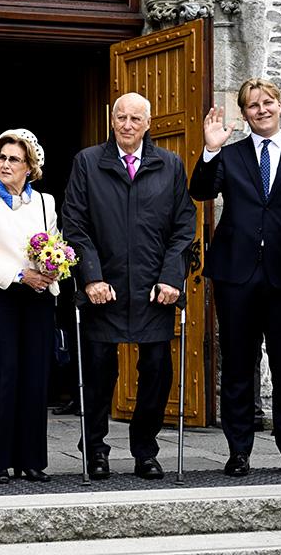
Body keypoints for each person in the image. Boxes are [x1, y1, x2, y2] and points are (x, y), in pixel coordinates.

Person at [188, 78, 281, 478]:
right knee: (239, 366)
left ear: (279, 106)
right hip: (236, 275)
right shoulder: (229, 155)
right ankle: (239, 450)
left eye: (267, 103)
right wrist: (210, 150)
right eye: (252, 105)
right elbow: (200, 191)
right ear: (243, 114)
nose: (261, 110)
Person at [62, 92, 196, 480]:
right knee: (99, 371)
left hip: (154, 290)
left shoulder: (169, 165)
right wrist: (91, 277)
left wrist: (172, 278)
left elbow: (184, 227)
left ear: (148, 123)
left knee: (156, 370)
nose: (126, 124)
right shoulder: (88, 162)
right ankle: (96, 450)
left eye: (135, 119)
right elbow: (75, 225)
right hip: (105, 288)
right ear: (112, 120)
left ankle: (145, 451)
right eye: (120, 117)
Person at [0, 129, 58, 485]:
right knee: (2, 377)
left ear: (29, 167)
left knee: (36, 378)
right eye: (1, 158)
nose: (5, 164)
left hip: (38, 297)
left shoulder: (45, 202)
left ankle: (32, 460)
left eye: (13, 159)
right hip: (1, 295)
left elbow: (53, 243)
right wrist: (20, 275)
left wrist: (53, 269)